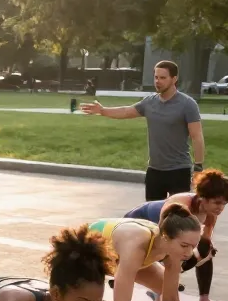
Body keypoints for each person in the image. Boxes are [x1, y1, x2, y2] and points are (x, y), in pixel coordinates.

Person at [82, 61, 204, 201]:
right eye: (156, 77)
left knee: (178, 218)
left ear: (174, 79)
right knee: (151, 218)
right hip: (154, 170)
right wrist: (102, 111)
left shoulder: (187, 104)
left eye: (163, 78)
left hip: (179, 171)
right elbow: (126, 111)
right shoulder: (149, 102)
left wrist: (198, 167)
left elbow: (197, 136)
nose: (158, 81)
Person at [124, 168, 228, 301]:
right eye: (217, 203)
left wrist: (203, 255)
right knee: (173, 251)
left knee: (206, 252)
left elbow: (204, 245)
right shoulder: (180, 206)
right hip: (138, 220)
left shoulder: (211, 212)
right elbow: (165, 243)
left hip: (164, 227)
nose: (221, 208)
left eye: (224, 203)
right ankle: (158, 291)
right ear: (202, 198)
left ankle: (204, 299)